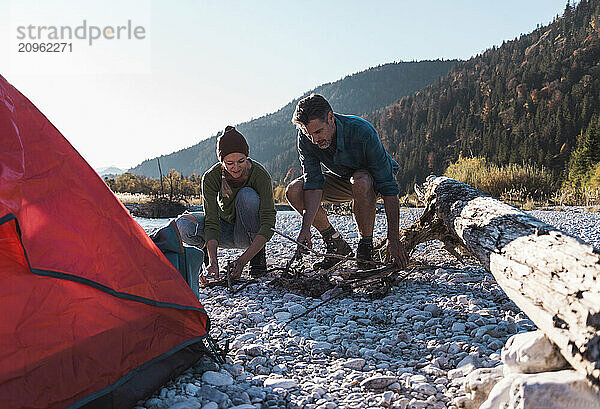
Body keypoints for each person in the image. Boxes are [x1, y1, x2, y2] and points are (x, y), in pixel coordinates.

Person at [286, 94, 409, 270]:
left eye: (318, 132)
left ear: (331, 118)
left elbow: (389, 188)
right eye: (308, 133)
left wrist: (394, 239)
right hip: (342, 179)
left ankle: (365, 248)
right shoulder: (306, 138)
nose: (314, 139)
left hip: (372, 181)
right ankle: (335, 243)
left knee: (361, 180)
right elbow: (313, 182)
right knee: (294, 190)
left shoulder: (362, 131)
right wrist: (306, 228)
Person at [174, 125, 276, 281]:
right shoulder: (211, 177)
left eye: (241, 161)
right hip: (225, 229)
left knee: (246, 195)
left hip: (248, 234)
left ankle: (257, 258)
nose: (236, 167)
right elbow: (211, 220)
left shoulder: (260, 175)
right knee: (182, 225)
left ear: (247, 156)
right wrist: (214, 260)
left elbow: (268, 222)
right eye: (229, 163)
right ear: (221, 161)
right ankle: (206, 261)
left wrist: (242, 261)